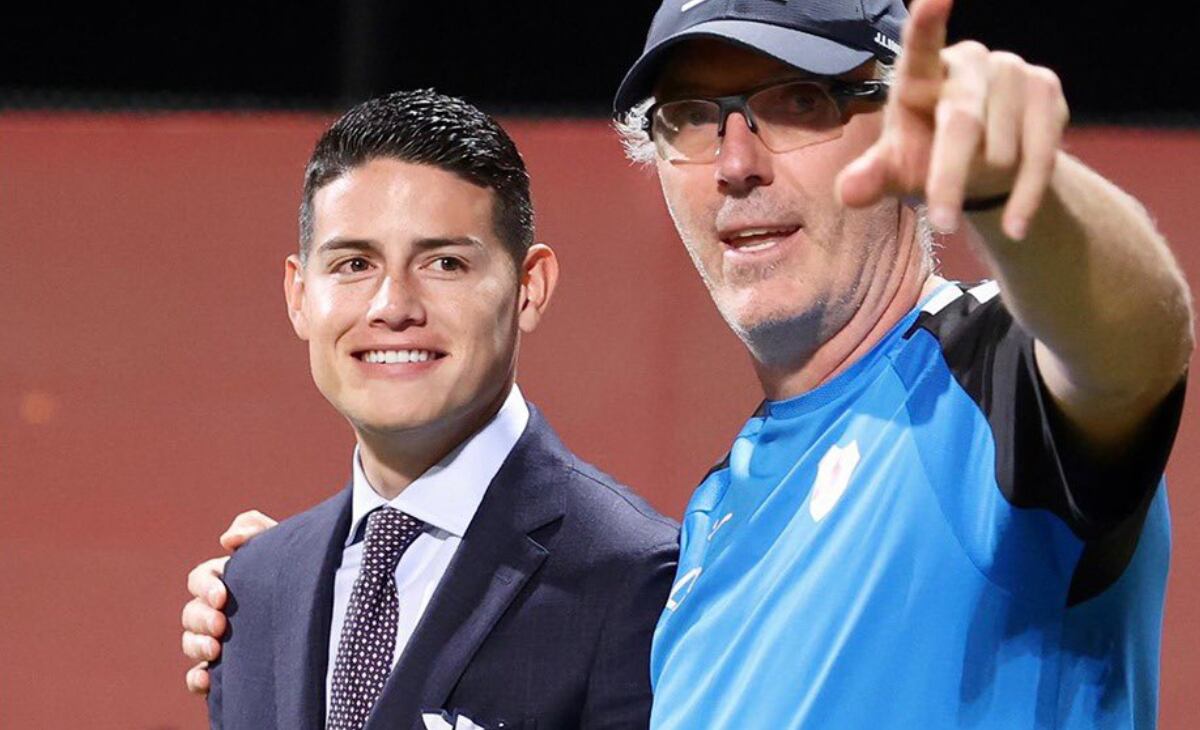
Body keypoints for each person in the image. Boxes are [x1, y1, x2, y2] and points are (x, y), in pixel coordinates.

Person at [187, 0, 1193, 726]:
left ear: (900, 114)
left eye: (795, 101)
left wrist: (1030, 194)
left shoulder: (979, 388)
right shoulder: (716, 522)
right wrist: (351, 591)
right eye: (690, 122)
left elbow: (1133, 350)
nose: (737, 161)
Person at [199, 88, 677, 730]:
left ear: (529, 287)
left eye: (445, 262)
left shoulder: (635, 578)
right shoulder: (254, 592)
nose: (393, 305)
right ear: (299, 295)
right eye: (353, 264)